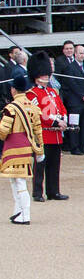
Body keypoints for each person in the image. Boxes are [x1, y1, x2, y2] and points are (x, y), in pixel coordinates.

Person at [25, 51, 68, 201]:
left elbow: (61, 107)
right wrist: (57, 122)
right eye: (43, 74)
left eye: (46, 73)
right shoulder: (32, 94)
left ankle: (53, 191)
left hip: (56, 135)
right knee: (40, 165)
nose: (46, 76)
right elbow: (40, 113)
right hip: (43, 135)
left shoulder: (52, 92)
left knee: (54, 166)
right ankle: (37, 192)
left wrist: (63, 120)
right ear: (36, 75)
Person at [0, 74, 43, 224]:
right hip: (27, 146)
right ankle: (18, 211)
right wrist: (40, 151)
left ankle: (25, 215)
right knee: (16, 180)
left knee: (18, 181)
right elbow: (38, 131)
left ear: (13, 90)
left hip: (13, 147)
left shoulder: (11, 108)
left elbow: (3, 131)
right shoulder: (33, 107)